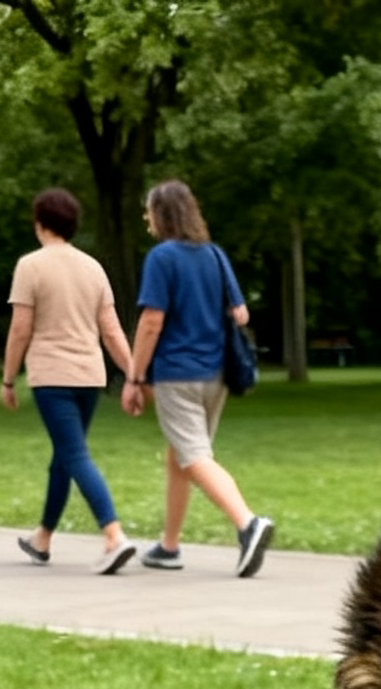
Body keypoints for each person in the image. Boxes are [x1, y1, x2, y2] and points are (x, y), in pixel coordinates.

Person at [126, 180, 272, 576]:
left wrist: (134, 377)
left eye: (149, 210)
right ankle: (168, 547)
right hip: (216, 375)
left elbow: (151, 321)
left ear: (162, 214)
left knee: (194, 456)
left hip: (177, 374)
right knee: (181, 457)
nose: (145, 217)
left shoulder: (162, 258)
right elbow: (240, 314)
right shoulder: (214, 255)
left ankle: (248, 524)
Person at [1, 187, 139, 574]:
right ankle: (42, 537)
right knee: (65, 453)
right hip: (90, 376)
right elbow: (111, 330)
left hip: (51, 376)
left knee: (74, 454)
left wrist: (8, 379)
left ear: (40, 223)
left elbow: (20, 329)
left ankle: (113, 535)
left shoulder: (31, 266)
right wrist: (132, 374)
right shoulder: (93, 267)